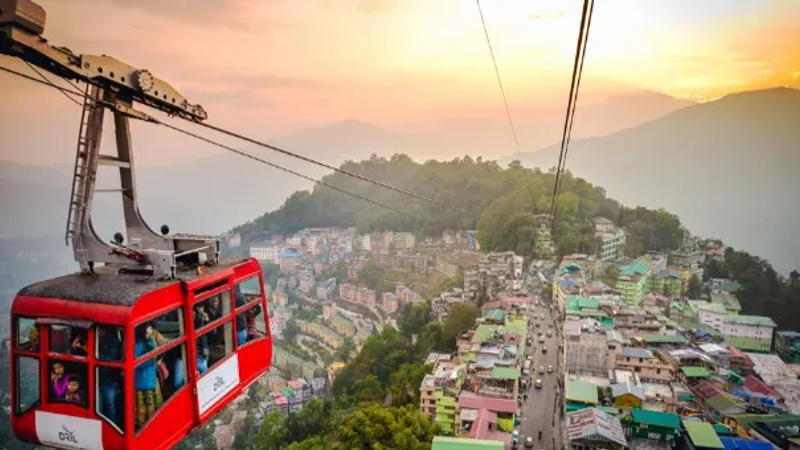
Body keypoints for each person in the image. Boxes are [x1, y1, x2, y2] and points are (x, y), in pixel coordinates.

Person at [134, 322, 161, 428]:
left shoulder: (151, 340)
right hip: (142, 381)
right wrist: (152, 359)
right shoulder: (136, 344)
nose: (151, 329)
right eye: (150, 327)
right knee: (144, 409)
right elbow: (137, 363)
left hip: (150, 379)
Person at [98, 326, 122, 425]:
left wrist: (89, 350)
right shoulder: (91, 340)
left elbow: (109, 359)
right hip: (96, 379)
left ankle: (111, 427)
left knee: (110, 407)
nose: (98, 331)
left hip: (110, 380)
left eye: (99, 329)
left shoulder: (114, 343)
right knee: (98, 408)